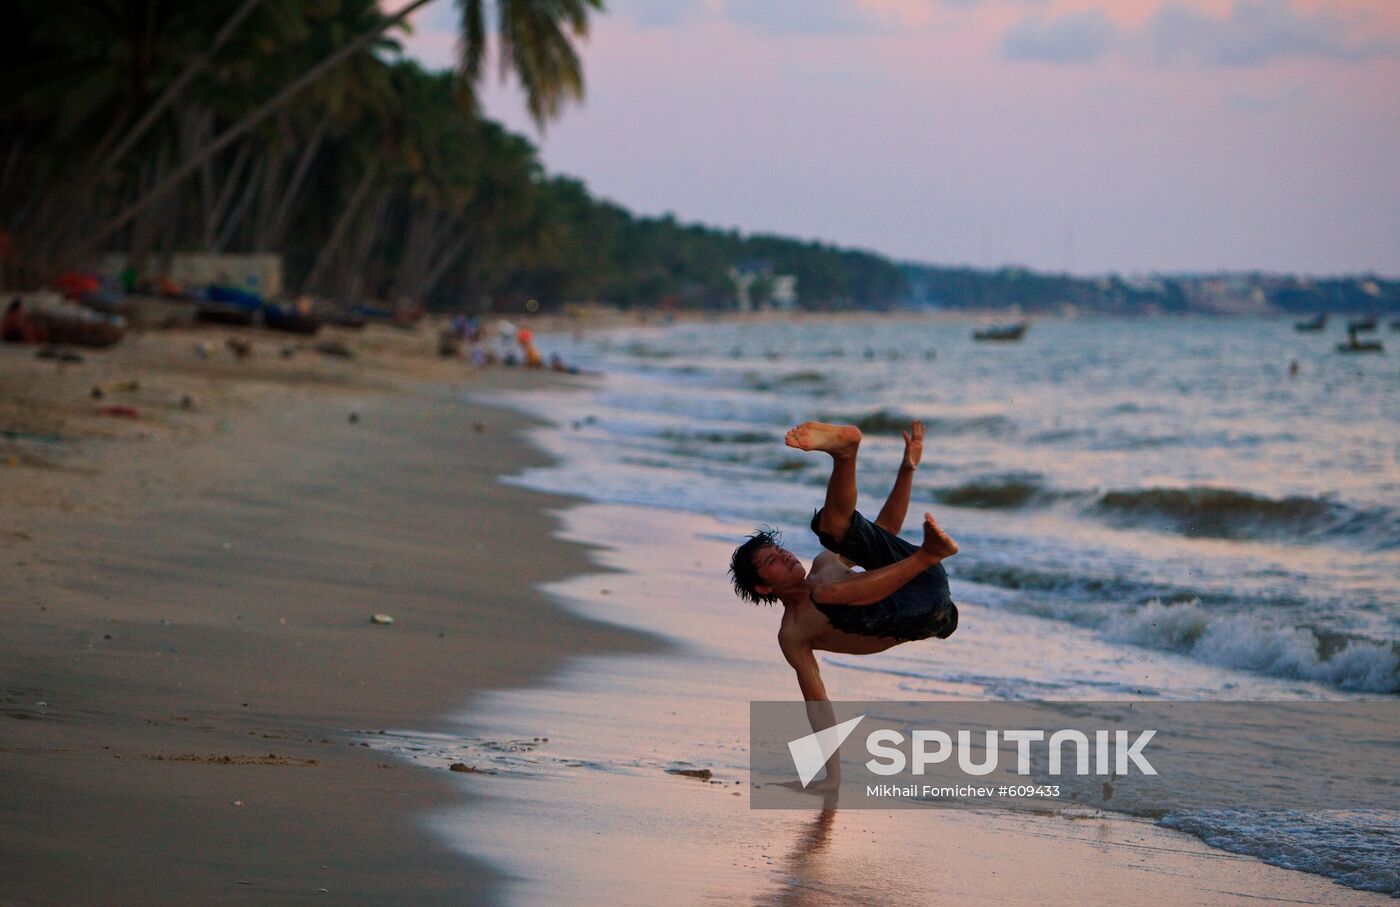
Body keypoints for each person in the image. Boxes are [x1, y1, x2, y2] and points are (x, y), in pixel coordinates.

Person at [729, 420, 960, 791]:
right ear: (763, 586)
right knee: (825, 595)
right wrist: (831, 777)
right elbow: (817, 702)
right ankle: (927, 555)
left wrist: (907, 468)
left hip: (926, 576)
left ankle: (845, 454)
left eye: (780, 550)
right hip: (921, 613)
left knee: (832, 528)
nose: (785, 557)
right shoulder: (794, 633)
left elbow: (885, 531)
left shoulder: (825, 564)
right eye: (773, 560)